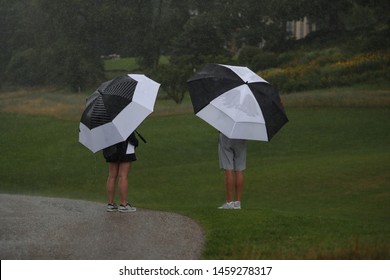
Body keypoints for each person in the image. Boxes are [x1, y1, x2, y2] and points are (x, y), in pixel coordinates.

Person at [103, 132, 139, 213]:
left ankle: (110, 204)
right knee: (123, 175)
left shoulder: (106, 120)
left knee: (111, 175)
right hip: (125, 147)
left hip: (111, 146)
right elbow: (130, 136)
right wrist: (136, 142)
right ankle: (123, 204)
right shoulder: (123, 120)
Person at [217, 132, 247, 210]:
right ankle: (237, 202)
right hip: (241, 136)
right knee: (239, 169)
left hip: (226, 135)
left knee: (228, 169)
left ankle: (229, 202)